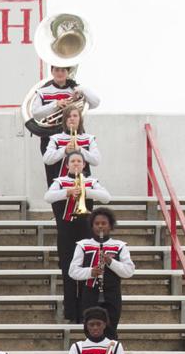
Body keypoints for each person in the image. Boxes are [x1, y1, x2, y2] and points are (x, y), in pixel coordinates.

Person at [44, 152, 111, 322]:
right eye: (72, 161)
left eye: (79, 161)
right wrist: (67, 192)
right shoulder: (59, 182)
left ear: (84, 165)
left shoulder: (91, 182)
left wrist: (85, 191)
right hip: (66, 232)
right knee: (68, 271)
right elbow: (48, 197)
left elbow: (106, 198)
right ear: (66, 165)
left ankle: (85, 312)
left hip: (86, 232)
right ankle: (70, 312)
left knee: (86, 270)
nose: (75, 164)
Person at [69, 207, 135, 339]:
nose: (100, 227)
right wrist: (91, 272)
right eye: (97, 224)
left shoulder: (119, 246)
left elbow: (128, 271)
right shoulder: (83, 245)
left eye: (104, 223)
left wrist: (110, 262)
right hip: (90, 292)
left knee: (111, 329)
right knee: (91, 329)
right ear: (92, 226)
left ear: (110, 226)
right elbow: (73, 271)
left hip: (112, 293)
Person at [28, 65, 101, 155]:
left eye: (63, 70)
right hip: (50, 137)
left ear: (68, 72)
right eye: (57, 70)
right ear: (52, 71)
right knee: (52, 169)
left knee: (78, 168)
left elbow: (96, 102)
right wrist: (55, 104)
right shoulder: (42, 92)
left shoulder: (74, 90)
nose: (60, 73)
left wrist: (80, 89)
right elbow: (36, 113)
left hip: (74, 137)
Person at [41, 107, 101, 185]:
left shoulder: (89, 138)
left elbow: (96, 160)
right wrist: (64, 150)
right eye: (68, 116)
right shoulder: (56, 138)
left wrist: (80, 150)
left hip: (83, 184)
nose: (71, 118)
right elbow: (47, 159)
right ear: (64, 120)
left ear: (80, 119)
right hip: (61, 185)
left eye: (75, 116)